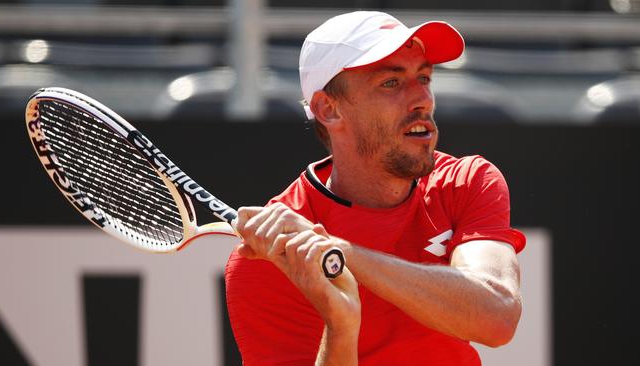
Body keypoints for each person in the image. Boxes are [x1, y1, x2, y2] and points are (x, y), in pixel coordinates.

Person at [225, 10, 526, 366]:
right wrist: (341, 327)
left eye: (424, 78)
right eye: (391, 83)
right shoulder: (266, 265)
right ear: (329, 109)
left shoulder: (467, 180)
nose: (423, 100)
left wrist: (341, 254)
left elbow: (498, 316)